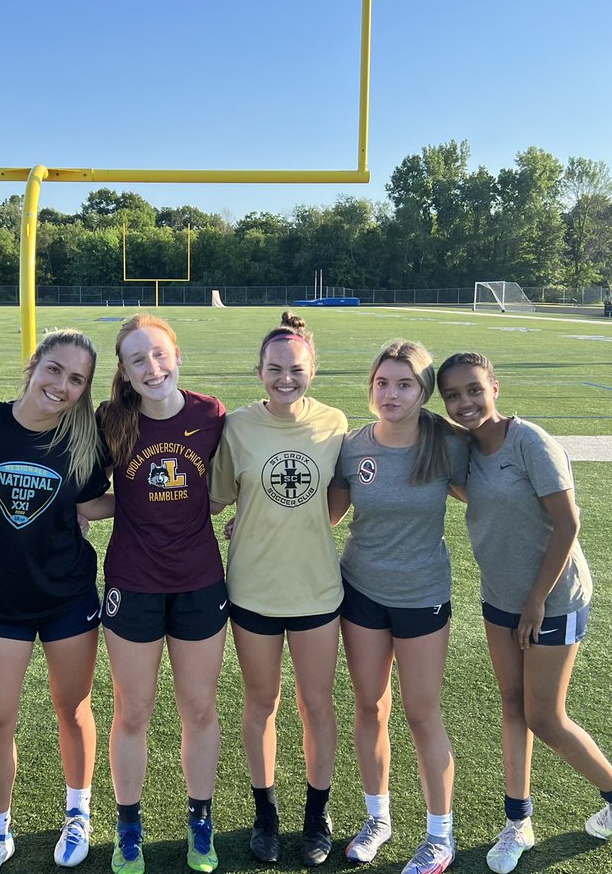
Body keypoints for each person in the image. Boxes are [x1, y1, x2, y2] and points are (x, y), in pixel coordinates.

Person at [436, 352, 612, 874]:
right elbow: (474, 494)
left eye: (473, 390)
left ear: (495, 386)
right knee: (512, 705)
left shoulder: (528, 441)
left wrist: (536, 600)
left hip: (552, 599)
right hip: (500, 595)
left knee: (545, 716)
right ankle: (518, 822)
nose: (464, 403)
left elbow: (567, 523)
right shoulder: (465, 450)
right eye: (452, 395)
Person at [0, 330, 114, 874]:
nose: (62, 385)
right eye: (55, 370)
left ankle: (78, 812)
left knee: (72, 709)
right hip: (1, 600)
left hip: (68, 595)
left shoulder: (86, 436)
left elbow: (96, 501)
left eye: (77, 380)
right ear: (34, 365)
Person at [209, 312, 347, 868]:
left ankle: (317, 814)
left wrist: (307, 524)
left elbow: (338, 498)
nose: (285, 378)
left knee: (317, 706)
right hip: (253, 590)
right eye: (274, 369)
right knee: (260, 704)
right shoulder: (237, 427)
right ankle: (265, 814)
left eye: (295, 369)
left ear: (312, 369)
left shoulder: (335, 424)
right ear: (259, 372)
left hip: (316, 590)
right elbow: (218, 498)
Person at [327, 340, 468, 873]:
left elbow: (492, 494)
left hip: (423, 595)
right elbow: (328, 517)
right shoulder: (352, 446)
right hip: (360, 591)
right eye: (383, 383)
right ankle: (378, 817)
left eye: (404, 384)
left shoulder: (447, 444)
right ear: (371, 387)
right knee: (370, 706)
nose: (391, 393)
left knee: (421, 712)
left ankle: (440, 835)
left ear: (423, 390)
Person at [96, 314, 227, 874]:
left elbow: (220, 493)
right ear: (124, 373)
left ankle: (200, 816)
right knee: (134, 709)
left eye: (159, 354)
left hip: (199, 581)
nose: (152, 367)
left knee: (199, 707)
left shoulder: (209, 414)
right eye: (137, 360)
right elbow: (93, 488)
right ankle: (129, 822)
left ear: (177, 356)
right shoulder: (110, 420)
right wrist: (82, 510)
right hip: (133, 582)